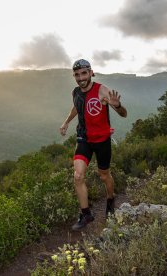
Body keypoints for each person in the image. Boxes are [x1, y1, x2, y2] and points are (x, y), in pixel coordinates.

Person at [59, 59, 127, 231]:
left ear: (91, 73)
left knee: (104, 176)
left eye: (83, 73)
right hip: (84, 139)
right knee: (78, 176)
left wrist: (117, 106)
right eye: (76, 74)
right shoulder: (75, 92)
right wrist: (66, 122)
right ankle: (86, 214)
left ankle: (110, 200)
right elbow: (76, 107)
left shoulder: (101, 90)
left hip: (102, 140)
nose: (80, 77)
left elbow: (123, 114)